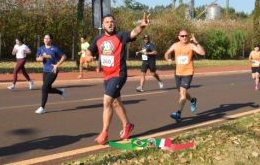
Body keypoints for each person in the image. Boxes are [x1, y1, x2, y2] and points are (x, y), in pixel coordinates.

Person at [87, 13, 150, 145]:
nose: (110, 24)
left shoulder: (120, 36)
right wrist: (88, 57)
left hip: (119, 74)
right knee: (116, 102)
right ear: (103, 25)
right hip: (107, 76)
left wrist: (141, 26)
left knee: (107, 101)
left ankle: (104, 133)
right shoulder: (98, 39)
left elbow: (134, 33)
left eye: (112, 22)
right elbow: (89, 51)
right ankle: (127, 125)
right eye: (107, 22)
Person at [164, 30, 205, 122]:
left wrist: (196, 42)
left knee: (182, 94)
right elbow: (167, 53)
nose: (184, 37)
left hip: (188, 72)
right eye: (182, 36)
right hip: (178, 73)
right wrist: (168, 59)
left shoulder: (191, 45)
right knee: (182, 93)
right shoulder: (175, 45)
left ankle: (178, 113)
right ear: (179, 37)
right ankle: (193, 100)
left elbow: (202, 53)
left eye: (186, 36)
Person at [35, 34, 67, 114]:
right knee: (47, 89)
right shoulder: (41, 48)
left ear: (51, 40)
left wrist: (57, 65)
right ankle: (61, 92)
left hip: (53, 70)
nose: (46, 39)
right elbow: (37, 58)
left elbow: (64, 56)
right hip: (45, 71)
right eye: (45, 38)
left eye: (48, 38)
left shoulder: (55, 48)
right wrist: (41, 58)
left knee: (44, 87)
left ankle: (42, 107)